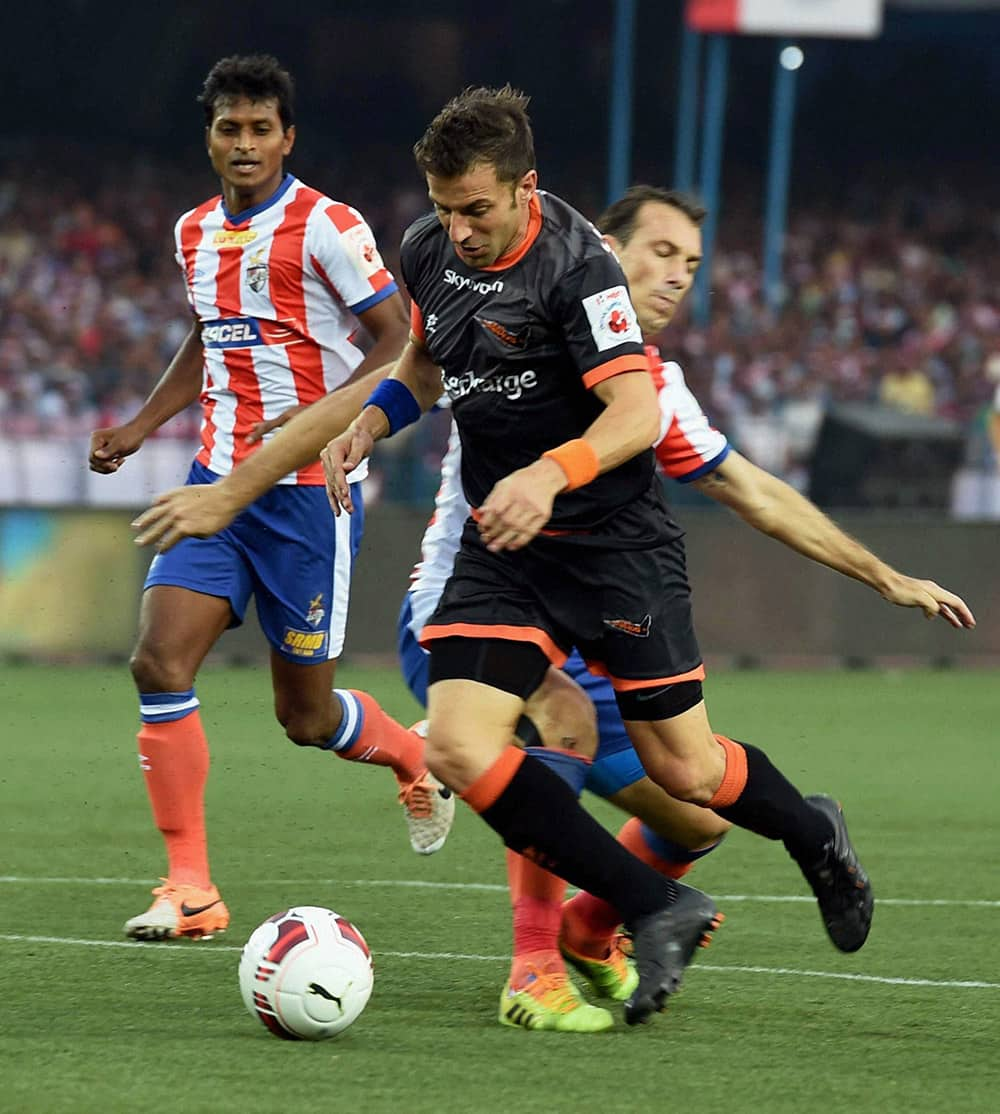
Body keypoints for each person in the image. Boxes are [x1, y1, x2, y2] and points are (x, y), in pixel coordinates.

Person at [396, 185, 977, 1028]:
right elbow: (411, 371)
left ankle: (600, 932)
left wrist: (882, 575)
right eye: (660, 253)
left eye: (691, 265)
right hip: (472, 597)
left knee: (694, 805)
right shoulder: (516, 316)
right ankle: (533, 968)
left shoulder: (654, 389)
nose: (677, 278)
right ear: (601, 250)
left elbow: (752, 491)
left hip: (594, 613)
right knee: (555, 722)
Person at [88, 55, 454, 944]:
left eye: (260, 129)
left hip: (305, 502)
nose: (244, 143)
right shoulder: (193, 232)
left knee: (306, 716)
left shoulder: (328, 225)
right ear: (210, 139)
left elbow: (399, 342)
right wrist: (141, 424)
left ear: (287, 138)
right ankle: (191, 888)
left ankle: (412, 753)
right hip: (218, 485)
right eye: (229, 128)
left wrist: (332, 420)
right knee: (158, 662)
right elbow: (208, 337)